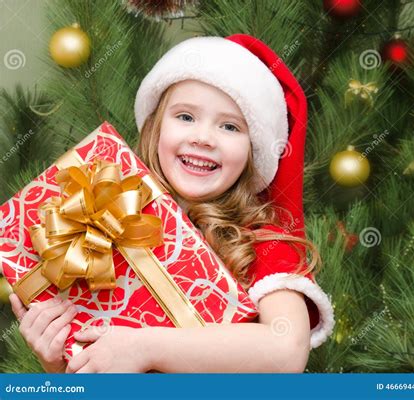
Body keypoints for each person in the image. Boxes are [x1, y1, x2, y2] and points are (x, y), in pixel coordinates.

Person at [10, 34, 334, 373]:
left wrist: (144, 347)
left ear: (253, 151)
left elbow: (287, 350)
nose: (203, 137)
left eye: (229, 126)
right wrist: (55, 357)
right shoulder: (107, 224)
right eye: (185, 117)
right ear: (155, 127)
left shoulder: (261, 241)